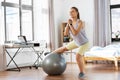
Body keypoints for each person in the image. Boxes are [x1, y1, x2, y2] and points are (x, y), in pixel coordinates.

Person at [53, 7, 89, 78]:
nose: (71, 13)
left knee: (78, 57)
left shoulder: (80, 22)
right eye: (70, 12)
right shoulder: (69, 23)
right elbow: (65, 34)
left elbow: (75, 33)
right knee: (63, 49)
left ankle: (82, 73)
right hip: (76, 42)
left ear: (77, 13)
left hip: (84, 43)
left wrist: (70, 25)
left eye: (72, 11)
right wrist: (68, 24)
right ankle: (51, 54)